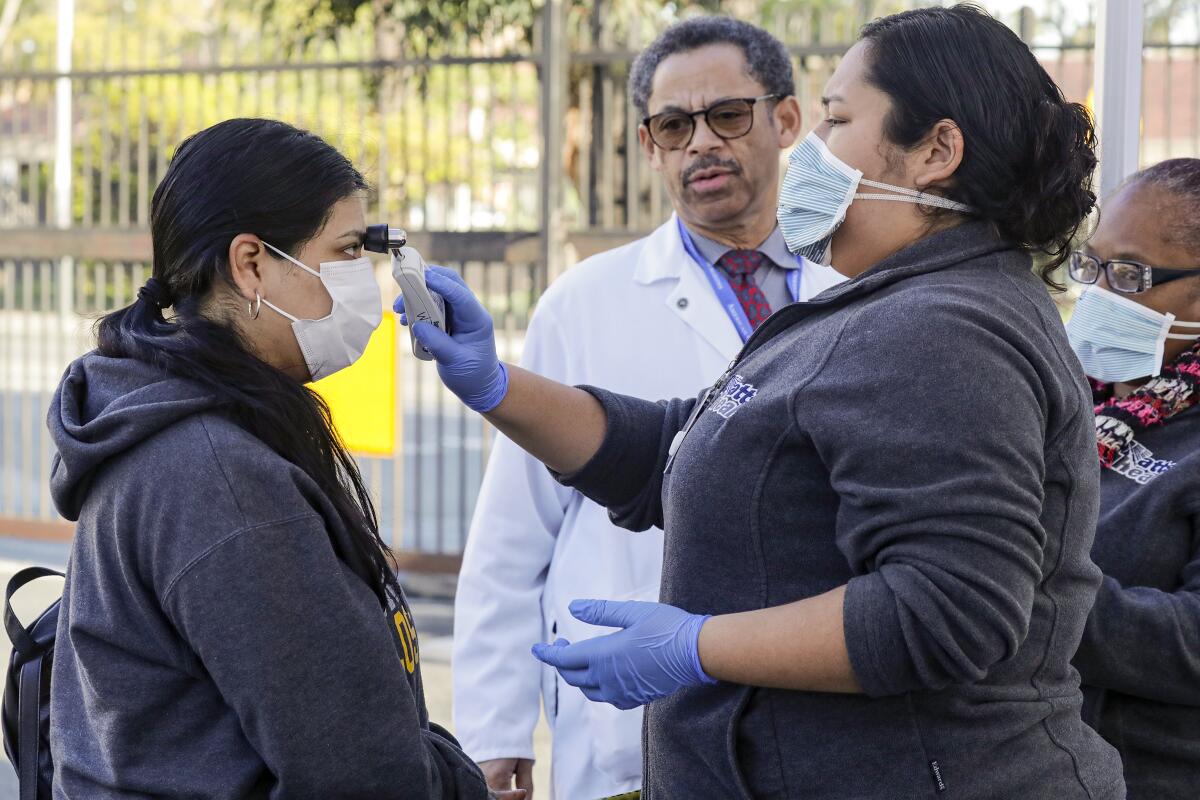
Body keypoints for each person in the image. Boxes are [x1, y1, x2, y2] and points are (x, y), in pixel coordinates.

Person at [401, 6, 1126, 798]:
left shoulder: (944, 329)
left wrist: (698, 647)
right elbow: (685, 448)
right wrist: (499, 387)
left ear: (935, 152)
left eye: (837, 120)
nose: (811, 151)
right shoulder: (885, 303)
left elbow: (946, 610)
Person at [46, 118, 521, 800]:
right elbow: (359, 771)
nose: (367, 278)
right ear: (252, 264)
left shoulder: (190, 419)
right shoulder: (219, 478)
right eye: (349, 249)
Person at [451, 17, 844, 800]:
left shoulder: (859, 289)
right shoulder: (585, 302)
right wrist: (493, 732)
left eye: (728, 115)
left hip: (825, 712)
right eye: (674, 125)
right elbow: (511, 536)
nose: (701, 143)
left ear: (788, 120)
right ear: (650, 145)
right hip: (625, 732)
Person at [1066, 158, 1200, 800]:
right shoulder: (1070, 403)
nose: (1095, 294)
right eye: (1090, 266)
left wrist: (1019, 593)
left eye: (1127, 275)